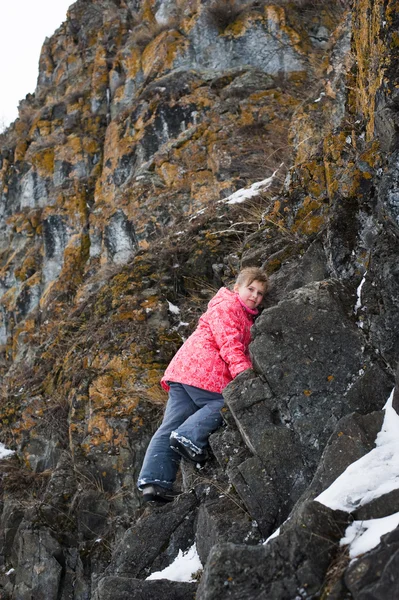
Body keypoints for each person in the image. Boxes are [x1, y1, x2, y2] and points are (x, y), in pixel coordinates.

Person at [137, 266, 268, 503]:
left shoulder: (234, 310)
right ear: (236, 288)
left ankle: (153, 483)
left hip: (183, 373)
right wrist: (244, 376)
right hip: (203, 371)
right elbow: (230, 344)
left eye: (260, 293)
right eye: (250, 289)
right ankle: (188, 436)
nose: (255, 296)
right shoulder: (229, 307)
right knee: (224, 403)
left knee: (170, 424)